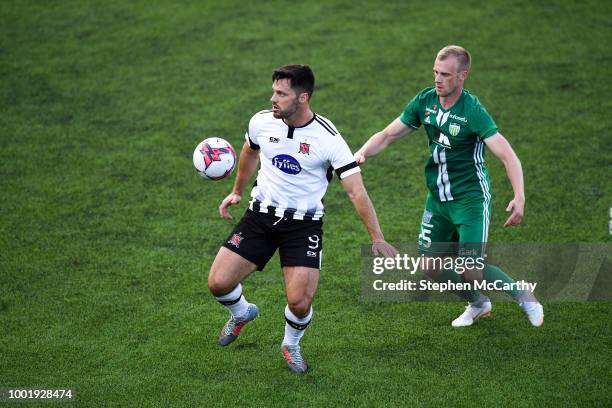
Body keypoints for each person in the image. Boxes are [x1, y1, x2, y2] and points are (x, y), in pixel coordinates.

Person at [208, 64, 397, 373]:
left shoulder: (328, 138)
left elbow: (356, 191)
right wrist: (238, 191)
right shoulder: (261, 123)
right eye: (274, 91)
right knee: (218, 283)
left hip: (303, 225)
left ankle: (290, 344)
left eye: (281, 94)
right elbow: (250, 151)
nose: (273, 99)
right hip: (260, 217)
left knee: (299, 302)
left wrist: (376, 236)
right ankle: (242, 313)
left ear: (303, 98)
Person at [355, 45, 544, 327]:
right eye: (435, 72)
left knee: (471, 270)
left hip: (470, 201)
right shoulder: (426, 101)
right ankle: (478, 303)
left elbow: (507, 155)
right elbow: (387, 134)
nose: (438, 79)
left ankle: (521, 294)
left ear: (462, 75)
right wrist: (362, 153)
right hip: (438, 201)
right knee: (430, 267)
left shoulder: (472, 112)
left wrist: (520, 196)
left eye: (445, 74)